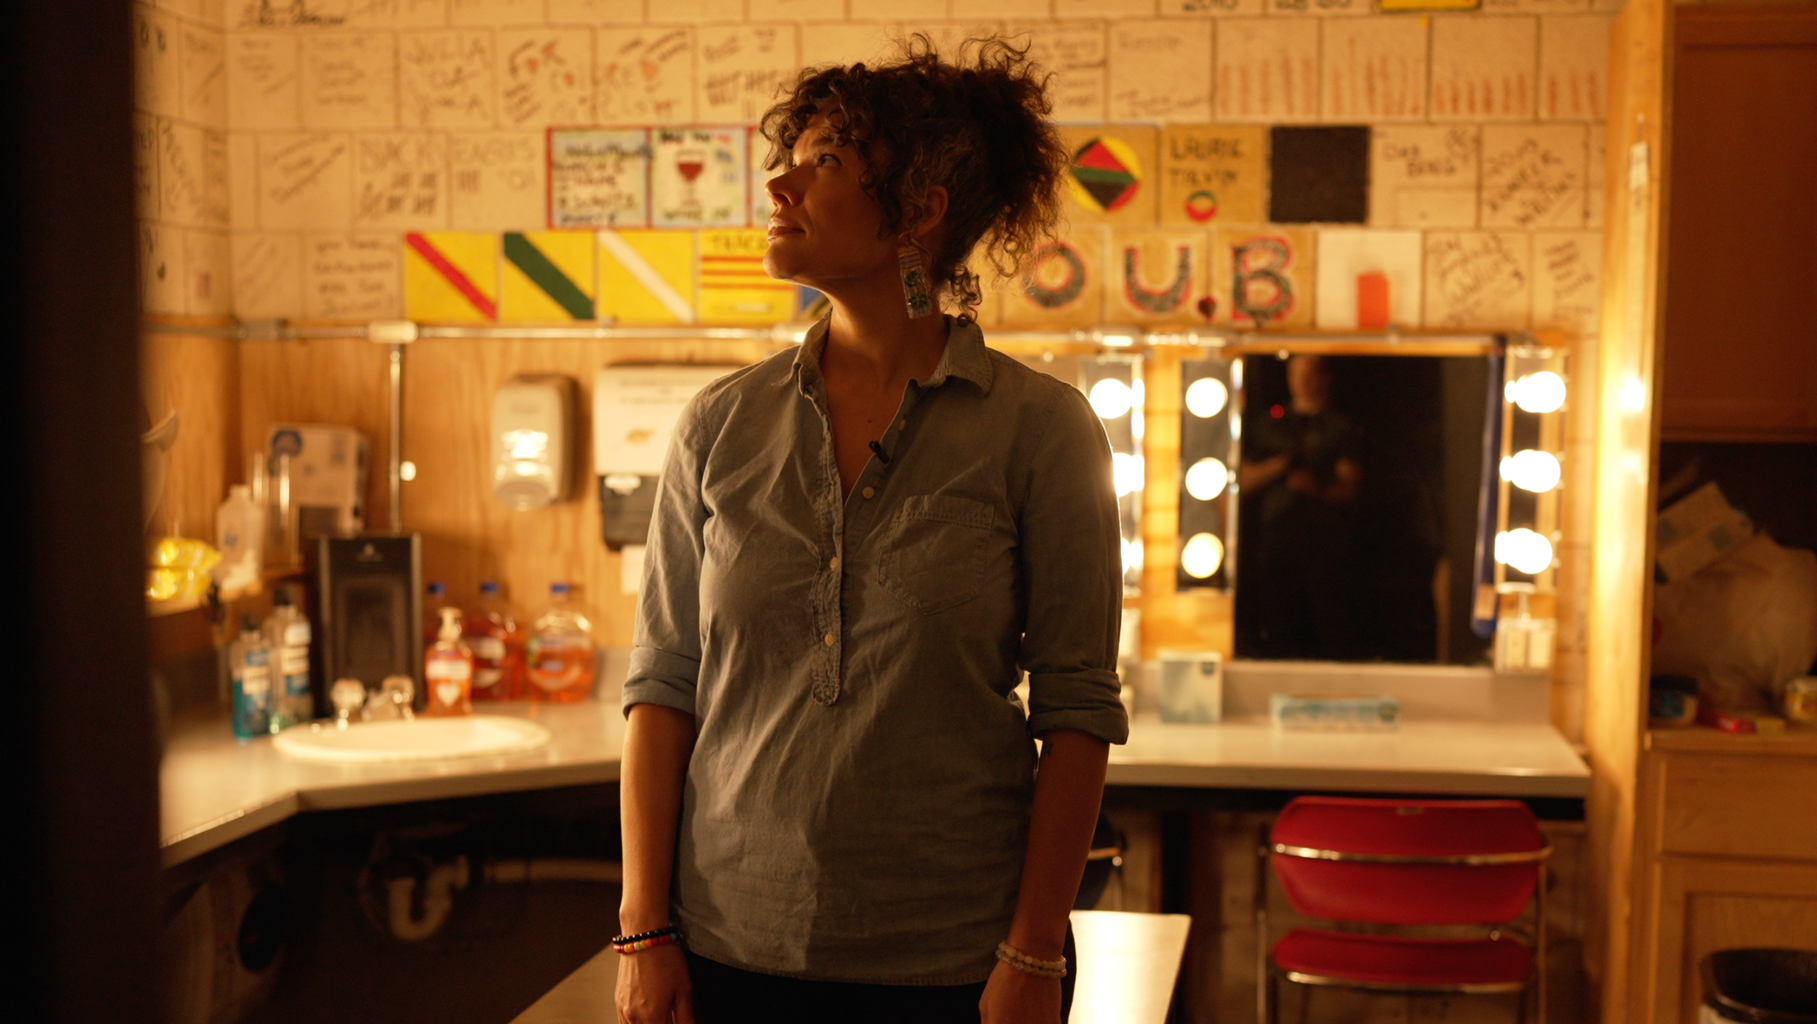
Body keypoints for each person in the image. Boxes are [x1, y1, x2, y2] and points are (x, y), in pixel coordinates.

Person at [613, 36, 1129, 1024]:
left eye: (825, 163)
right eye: (790, 157)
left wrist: (1032, 952)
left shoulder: (1040, 431)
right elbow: (662, 687)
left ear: (921, 211)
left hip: (951, 961)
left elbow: (1075, 715)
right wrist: (642, 928)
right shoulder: (720, 426)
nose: (779, 183)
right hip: (726, 945)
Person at [1237, 354, 1364, 660]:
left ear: (1324, 377)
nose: (1302, 382)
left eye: (1309, 374)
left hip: (1324, 540)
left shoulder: (1339, 427)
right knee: (1278, 620)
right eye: (1296, 374)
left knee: (1328, 621)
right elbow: (1244, 479)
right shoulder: (1270, 425)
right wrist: (1280, 466)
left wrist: (1316, 488)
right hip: (1275, 538)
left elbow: (1350, 488)